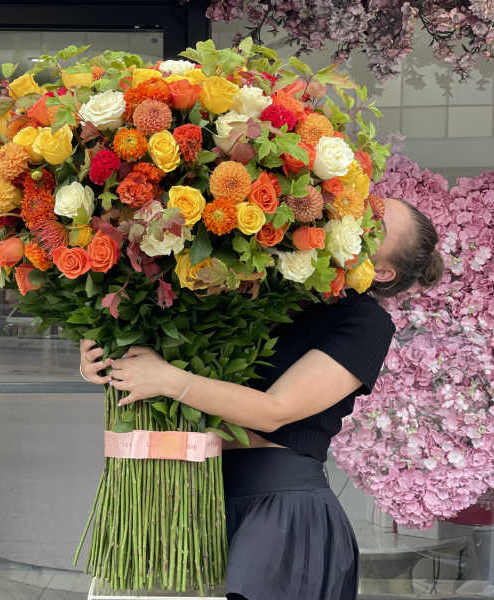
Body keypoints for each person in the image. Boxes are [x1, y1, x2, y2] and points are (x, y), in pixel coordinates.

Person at [79, 196, 444, 600]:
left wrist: (169, 380)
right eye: (368, 207)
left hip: (280, 514)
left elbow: (274, 410)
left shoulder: (365, 323)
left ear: (384, 270)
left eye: (379, 225)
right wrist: (103, 355)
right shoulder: (259, 279)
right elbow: (163, 348)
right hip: (189, 494)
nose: (364, 218)